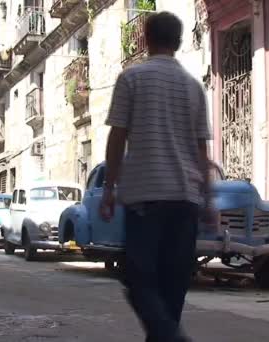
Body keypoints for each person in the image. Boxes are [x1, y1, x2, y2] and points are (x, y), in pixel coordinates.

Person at [100, 12, 213, 342]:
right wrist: (210, 199)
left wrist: (109, 189)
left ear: (145, 38)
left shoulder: (131, 78)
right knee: (172, 288)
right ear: (178, 42)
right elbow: (201, 151)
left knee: (138, 281)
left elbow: (117, 137)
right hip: (185, 200)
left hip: (146, 197)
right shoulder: (194, 87)